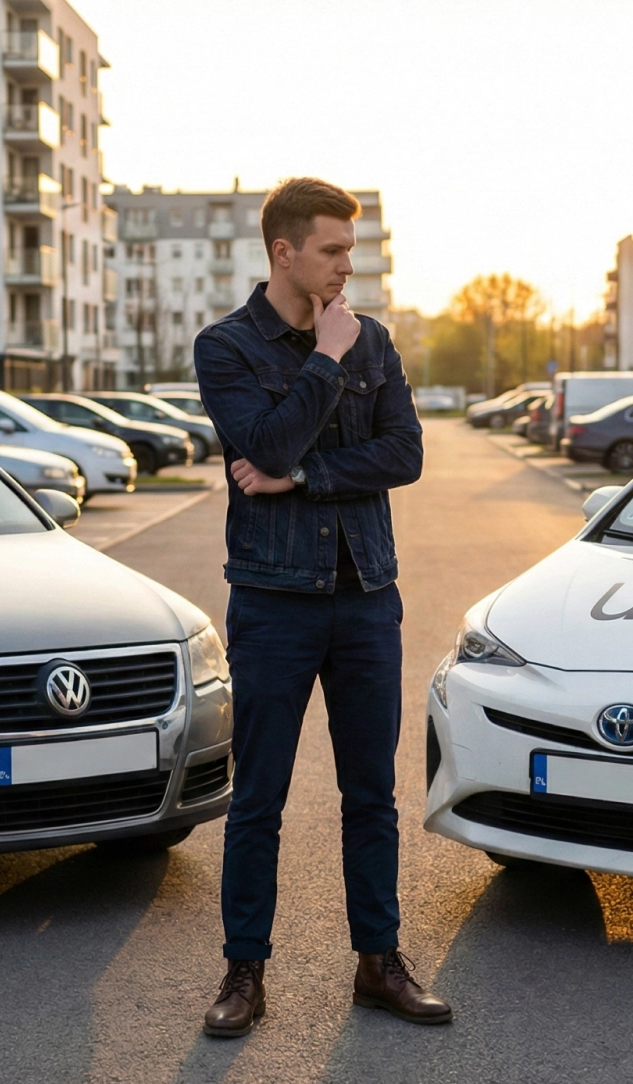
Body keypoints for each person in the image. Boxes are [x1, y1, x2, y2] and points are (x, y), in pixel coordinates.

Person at [192, 177, 451, 1037]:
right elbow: (262, 446)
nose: (347, 266)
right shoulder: (226, 347)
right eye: (333, 250)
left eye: (352, 249)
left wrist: (303, 476)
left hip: (367, 596)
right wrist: (326, 362)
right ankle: (244, 971)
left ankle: (379, 962)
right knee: (258, 796)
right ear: (284, 251)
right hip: (273, 603)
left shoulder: (372, 338)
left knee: (371, 793)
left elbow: (404, 454)